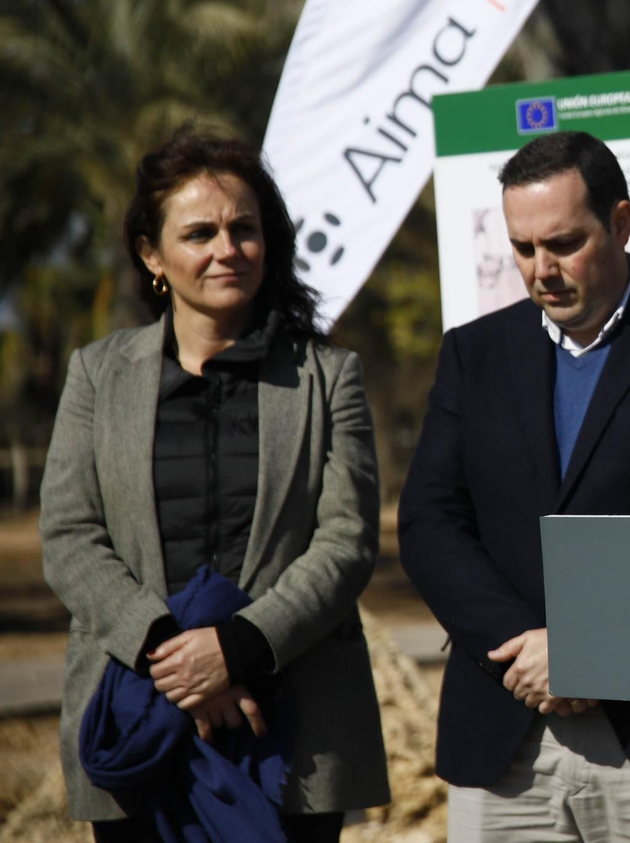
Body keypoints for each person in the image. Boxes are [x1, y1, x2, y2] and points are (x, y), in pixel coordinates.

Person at [400, 131, 630, 843]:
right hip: (506, 724)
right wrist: (521, 645)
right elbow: (430, 522)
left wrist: (587, 648)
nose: (542, 269)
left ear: (621, 224)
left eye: (564, 243)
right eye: (522, 248)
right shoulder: (474, 353)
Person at [39, 127, 390, 842]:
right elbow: (70, 537)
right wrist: (175, 658)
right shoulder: (97, 376)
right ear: (152, 255)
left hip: (293, 727)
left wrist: (237, 649)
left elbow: (347, 540)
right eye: (199, 232)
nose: (226, 249)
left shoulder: (328, 377)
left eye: (244, 230)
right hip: (140, 717)